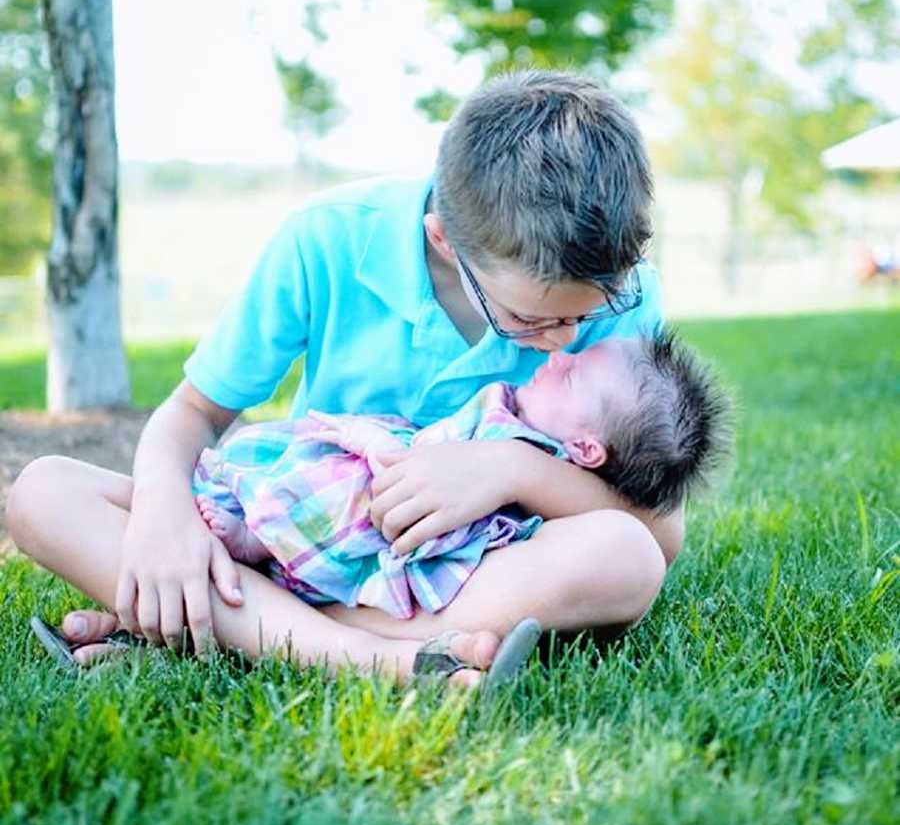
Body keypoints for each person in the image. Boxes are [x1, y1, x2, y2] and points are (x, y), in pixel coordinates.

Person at [8, 70, 683, 687]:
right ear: (445, 240)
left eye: (584, 317)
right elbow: (191, 414)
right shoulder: (325, 239)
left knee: (625, 557)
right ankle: (381, 660)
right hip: (287, 534)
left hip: (457, 573)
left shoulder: (615, 293)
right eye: (529, 321)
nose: (564, 344)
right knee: (42, 494)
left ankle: (232, 635)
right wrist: (163, 516)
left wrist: (508, 469)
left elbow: (660, 532)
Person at [193, 329, 730, 621]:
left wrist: (371, 440)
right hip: (412, 515)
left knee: (342, 496)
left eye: (574, 378)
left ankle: (259, 544)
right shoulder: (525, 418)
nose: (562, 356)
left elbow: (422, 477)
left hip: (402, 519)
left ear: (587, 449)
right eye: (576, 355)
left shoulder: (518, 435)